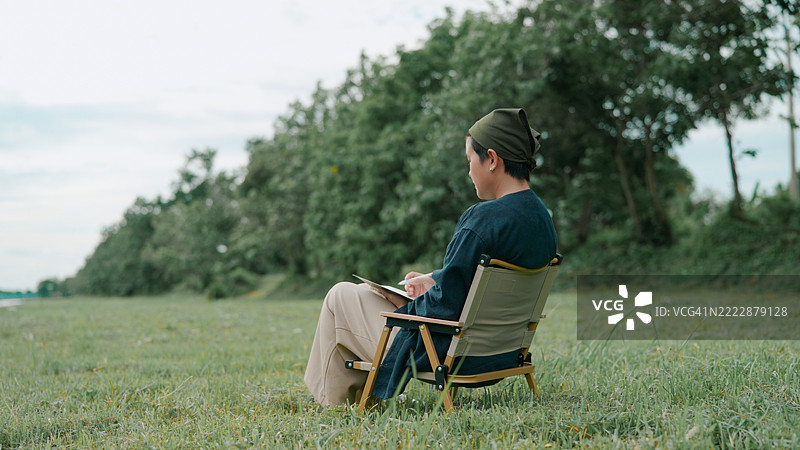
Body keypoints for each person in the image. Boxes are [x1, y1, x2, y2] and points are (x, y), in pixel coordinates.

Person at [304, 108, 558, 407]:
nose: (468, 171)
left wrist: (406, 305)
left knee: (340, 295)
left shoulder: (482, 219)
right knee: (361, 293)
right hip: (501, 353)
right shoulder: (542, 218)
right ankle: (355, 399)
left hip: (443, 351)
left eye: (469, 161)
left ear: (491, 159)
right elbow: (483, 275)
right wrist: (435, 279)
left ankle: (335, 405)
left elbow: (444, 307)